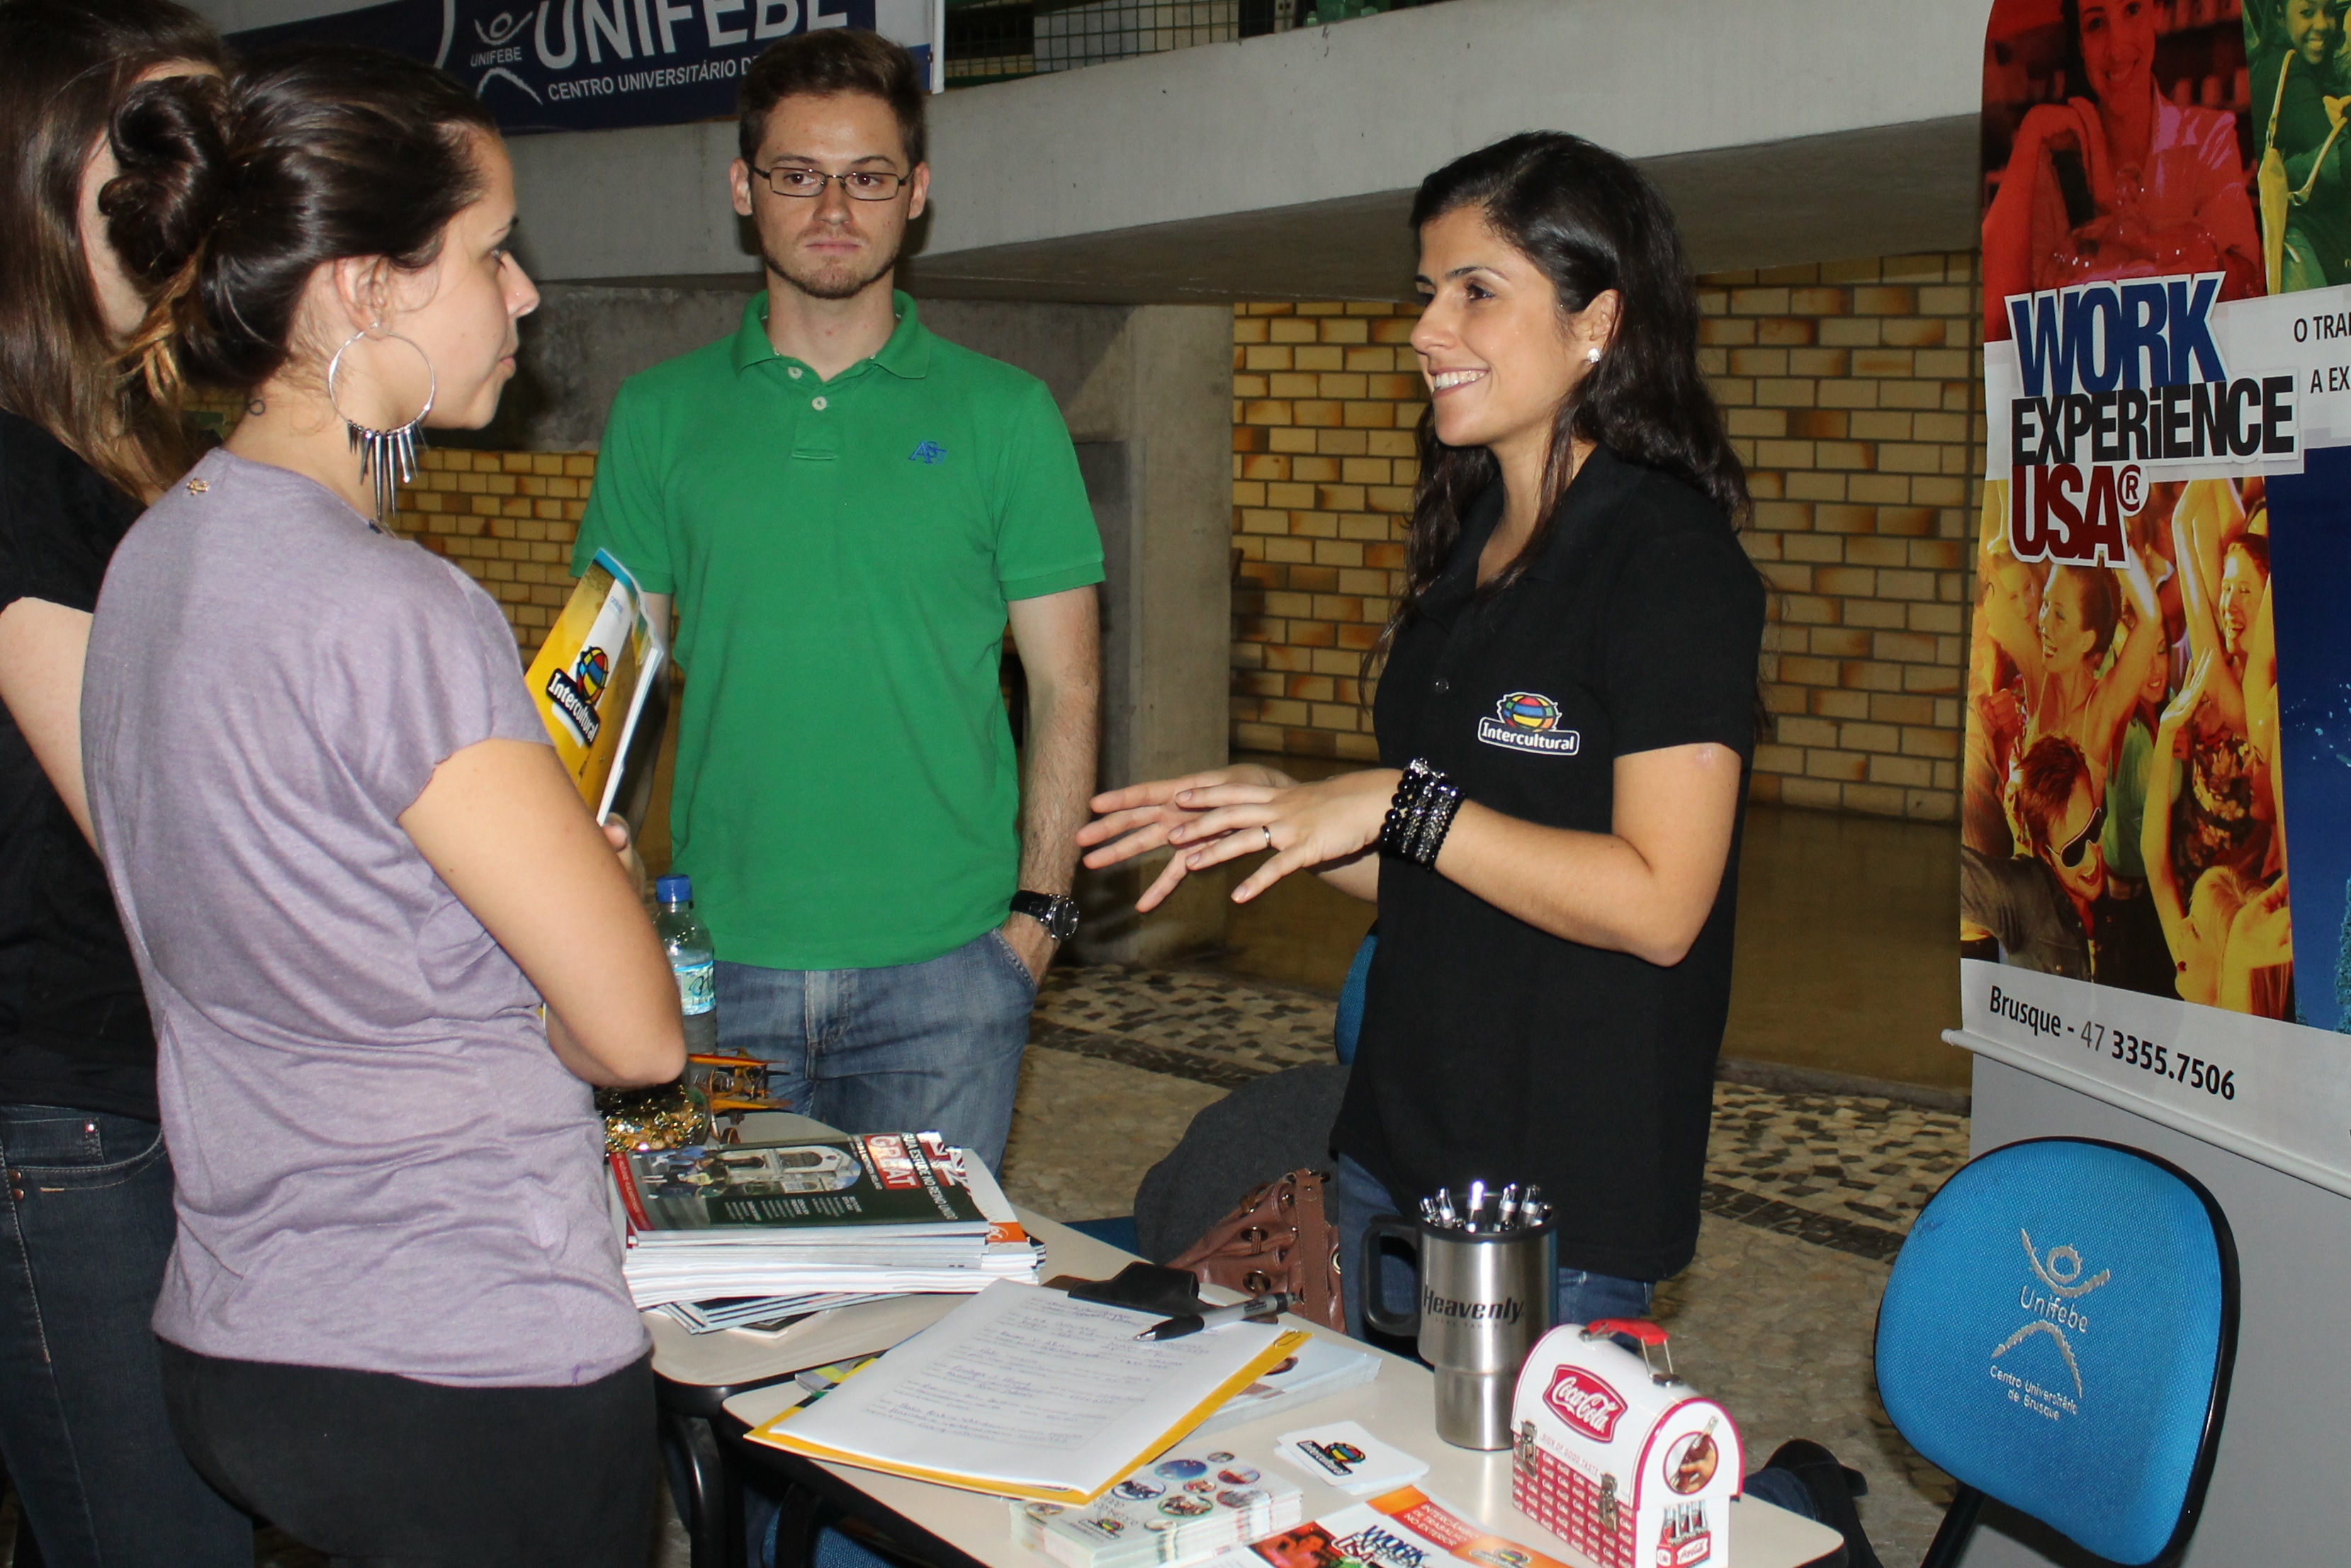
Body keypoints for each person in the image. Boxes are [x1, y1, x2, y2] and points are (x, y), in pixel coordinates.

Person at [80, 46, 684, 1564]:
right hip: (460, 1351)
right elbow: (634, 1034)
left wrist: (516, 886)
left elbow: (312, 907)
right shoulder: (395, 607)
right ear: (363, 287)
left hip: (243, 1329)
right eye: (492, 253)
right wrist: (583, 909)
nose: (528, 295)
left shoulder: (156, 557)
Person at [1082, 131, 1764, 1337]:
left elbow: (1661, 903)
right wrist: (1282, 818)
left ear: (1595, 321)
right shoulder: (1472, 541)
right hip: (1393, 1148)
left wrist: (1398, 800)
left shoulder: (1664, 557)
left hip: (1555, 1191)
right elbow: (1435, 874)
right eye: (1425, 292)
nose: (1424, 331)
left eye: (1474, 291)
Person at [572, 28, 1103, 1172]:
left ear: (915, 194)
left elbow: (1068, 681)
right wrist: (610, 919)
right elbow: (615, 694)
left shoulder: (1004, 416)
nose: (831, 207)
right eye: (796, 175)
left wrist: (1037, 922)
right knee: (711, 1311)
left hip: (950, 971)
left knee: (928, 1316)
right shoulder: (658, 417)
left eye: (867, 177)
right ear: (742, 189)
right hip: (708, 964)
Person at [0, 4, 251, 1563]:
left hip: (114, 1082)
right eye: (156, 156)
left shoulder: (117, 453)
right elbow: (150, 818)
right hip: (55, 1113)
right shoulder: (22, 477)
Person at [1983, 0, 2262, 335]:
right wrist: (2030, 134)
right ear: (2081, 46)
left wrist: (2121, 221)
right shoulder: (2057, 162)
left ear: (2157, 13)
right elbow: (2002, 318)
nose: (2117, 49)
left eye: (2132, 10)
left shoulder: (2207, 138)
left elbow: (2241, 278)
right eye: (2097, 24)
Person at [2251, 0, 2351, 291]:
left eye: (2329, 12)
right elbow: (2335, 163)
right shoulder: (2285, 68)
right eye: (2307, 12)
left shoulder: (2275, 65)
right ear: (2280, 15)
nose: (2322, 24)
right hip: (2309, 264)